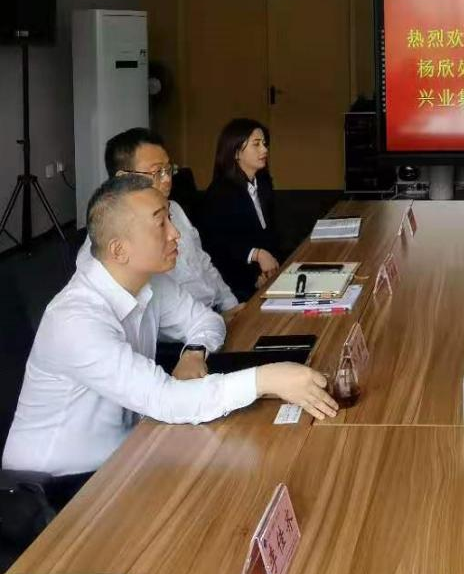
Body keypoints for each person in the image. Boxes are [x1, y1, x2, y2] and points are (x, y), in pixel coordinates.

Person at [2, 176, 337, 508]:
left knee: (255, 459)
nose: (175, 233)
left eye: (170, 219)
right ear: (119, 249)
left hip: (128, 452)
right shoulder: (76, 320)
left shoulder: (148, 282)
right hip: (54, 489)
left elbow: (206, 321)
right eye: (160, 224)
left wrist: (193, 352)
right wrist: (267, 378)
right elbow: (164, 398)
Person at [76, 128, 241, 320]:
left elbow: (203, 261)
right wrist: (216, 321)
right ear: (123, 178)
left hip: (212, 315)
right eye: (157, 172)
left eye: (169, 170)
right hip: (184, 330)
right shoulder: (104, 246)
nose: (167, 179)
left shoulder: (175, 209)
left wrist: (231, 305)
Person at [198, 119, 281, 302]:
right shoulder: (219, 193)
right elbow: (219, 248)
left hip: (268, 275)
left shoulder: (264, 182)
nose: (264, 150)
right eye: (256, 144)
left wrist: (271, 270)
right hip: (235, 287)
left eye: (264, 143)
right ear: (236, 152)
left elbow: (271, 234)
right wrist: (254, 276)